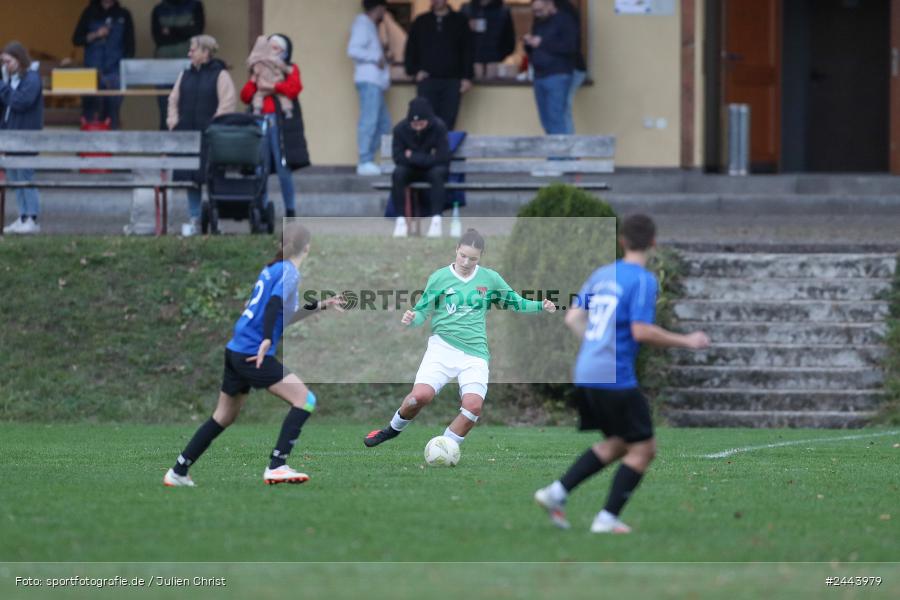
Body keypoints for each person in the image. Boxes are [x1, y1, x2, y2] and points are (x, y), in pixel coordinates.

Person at [534, 215, 710, 533]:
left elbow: (572, 318)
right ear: (654, 243)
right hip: (614, 374)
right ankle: (606, 520)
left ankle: (555, 493)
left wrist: (595, 346)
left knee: (619, 442)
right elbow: (641, 331)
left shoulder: (602, 274)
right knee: (644, 449)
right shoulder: (642, 280)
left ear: (622, 241)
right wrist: (687, 340)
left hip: (586, 370)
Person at [164, 223, 346, 487]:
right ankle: (277, 465)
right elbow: (273, 306)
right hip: (253, 352)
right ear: (307, 247)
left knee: (223, 416)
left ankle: (178, 471)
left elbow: (284, 315)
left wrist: (321, 306)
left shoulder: (273, 269)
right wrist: (266, 340)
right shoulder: (289, 272)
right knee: (305, 399)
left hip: (237, 350)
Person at [363, 228, 556, 449]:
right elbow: (422, 312)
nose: (466, 261)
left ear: (481, 256)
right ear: (456, 250)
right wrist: (412, 318)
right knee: (419, 397)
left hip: (475, 353)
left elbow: (515, 302)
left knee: (473, 407)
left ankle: (444, 448)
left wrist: (541, 305)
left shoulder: (490, 279)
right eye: (462, 255)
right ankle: (391, 429)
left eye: (472, 258)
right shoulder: (440, 278)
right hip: (442, 348)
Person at [166, 35, 236, 237]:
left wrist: (215, 125)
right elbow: (173, 100)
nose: (189, 53)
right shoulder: (185, 74)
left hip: (211, 137)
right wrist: (173, 121)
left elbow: (227, 103)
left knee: (213, 179)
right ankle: (194, 219)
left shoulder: (220, 75)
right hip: (187, 136)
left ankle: (216, 219)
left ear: (205, 53)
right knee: (191, 180)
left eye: (193, 49)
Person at [240, 34, 302, 218]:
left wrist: (272, 87)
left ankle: (290, 209)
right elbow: (245, 96)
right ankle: (261, 207)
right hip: (259, 119)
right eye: (270, 47)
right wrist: (254, 80)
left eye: (275, 48)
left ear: (284, 51)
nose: (271, 52)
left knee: (284, 167)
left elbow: (294, 88)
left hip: (280, 122)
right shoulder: (258, 67)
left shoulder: (290, 68)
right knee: (260, 166)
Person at [404, 0, 474, 130]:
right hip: (427, 81)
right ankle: (427, 151)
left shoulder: (460, 21)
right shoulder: (421, 21)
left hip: (452, 82)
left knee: (448, 124)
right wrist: (414, 71)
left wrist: (467, 77)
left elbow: (467, 50)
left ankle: (443, 150)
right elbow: (410, 50)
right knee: (425, 123)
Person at [389, 97, 450, 238]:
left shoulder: (439, 127)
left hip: (433, 170)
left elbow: (442, 158)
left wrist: (412, 156)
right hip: (411, 169)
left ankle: (436, 221)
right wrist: (427, 157)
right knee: (398, 174)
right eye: (414, 124)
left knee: (438, 174)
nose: (418, 127)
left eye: (421, 124)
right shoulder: (400, 129)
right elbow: (398, 158)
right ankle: (400, 220)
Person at [0, 42, 43, 235]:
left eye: (8, 61)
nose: (5, 65)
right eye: (3, 62)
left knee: (25, 175)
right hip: (10, 135)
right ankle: (23, 216)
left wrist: (3, 87)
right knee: (15, 177)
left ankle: (32, 218)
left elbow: (20, 102)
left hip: (26, 136)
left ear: (18, 59)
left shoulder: (32, 78)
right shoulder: (11, 80)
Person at [72, 0, 135, 130]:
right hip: (92, 71)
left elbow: (131, 46)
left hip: (114, 72)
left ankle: (110, 148)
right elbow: (76, 39)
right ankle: (88, 149)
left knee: (112, 112)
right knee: (90, 112)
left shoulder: (123, 14)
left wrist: (123, 68)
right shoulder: (89, 12)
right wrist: (96, 35)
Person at [348, 0, 392, 177]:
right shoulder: (362, 23)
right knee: (369, 121)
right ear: (379, 8)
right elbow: (353, 50)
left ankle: (369, 160)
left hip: (375, 82)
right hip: (369, 81)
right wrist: (376, 57)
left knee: (383, 124)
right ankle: (364, 160)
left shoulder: (370, 25)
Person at [523, 0, 577, 135]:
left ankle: (559, 156)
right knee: (545, 119)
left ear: (550, 4)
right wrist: (528, 43)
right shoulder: (539, 22)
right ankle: (555, 153)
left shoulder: (565, 20)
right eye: (534, 11)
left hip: (558, 74)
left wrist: (542, 42)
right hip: (539, 75)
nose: (537, 14)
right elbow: (535, 50)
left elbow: (570, 47)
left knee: (556, 117)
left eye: (540, 10)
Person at [152, 0, 205, 130]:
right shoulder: (158, 9)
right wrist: (185, 31)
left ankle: (186, 148)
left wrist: (170, 30)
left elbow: (197, 32)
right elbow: (158, 38)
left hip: (189, 66)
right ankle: (165, 148)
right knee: (165, 109)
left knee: (189, 107)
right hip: (163, 67)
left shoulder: (195, 5)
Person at [462, 0, 516, 80]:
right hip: (472, 59)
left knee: (492, 88)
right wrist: (466, 26)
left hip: (494, 60)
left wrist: (499, 57)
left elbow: (509, 37)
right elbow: (456, 35)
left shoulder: (503, 10)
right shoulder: (467, 9)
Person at [558, 0, 586, 134]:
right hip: (567, 68)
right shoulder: (563, 9)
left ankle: (569, 151)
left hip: (570, 68)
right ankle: (567, 151)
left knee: (562, 110)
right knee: (561, 110)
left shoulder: (563, 11)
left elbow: (569, 45)